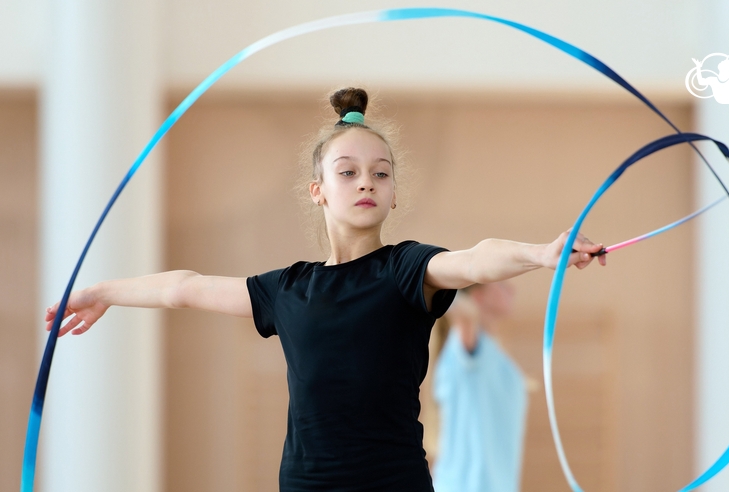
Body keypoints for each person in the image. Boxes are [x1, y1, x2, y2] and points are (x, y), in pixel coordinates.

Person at [45, 87, 606, 491]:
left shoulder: (406, 269)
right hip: (306, 484)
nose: (366, 181)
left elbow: (476, 259)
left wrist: (542, 255)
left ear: (392, 192)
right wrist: (105, 291)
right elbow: (183, 288)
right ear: (318, 190)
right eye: (348, 171)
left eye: (381, 173)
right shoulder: (288, 289)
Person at [432, 282, 529, 492]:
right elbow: (461, 311)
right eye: (502, 285)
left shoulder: (493, 354)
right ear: (478, 296)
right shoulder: (466, 345)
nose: (511, 289)